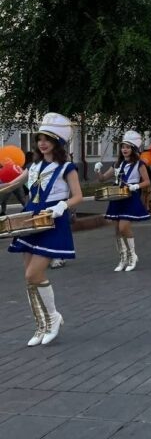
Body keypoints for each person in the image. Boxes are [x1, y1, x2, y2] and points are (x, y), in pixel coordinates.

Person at [8, 112, 83, 346]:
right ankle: (40, 325)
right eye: (40, 138)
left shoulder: (66, 167)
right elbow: (12, 184)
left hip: (52, 219)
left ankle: (52, 318)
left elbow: (78, 196)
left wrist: (62, 206)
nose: (42, 143)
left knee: (34, 274)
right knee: (28, 278)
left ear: (56, 143)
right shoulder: (34, 166)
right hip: (30, 219)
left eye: (47, 139)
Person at [94, 131, 151, 272]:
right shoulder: (117, 164)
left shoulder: (139, 164)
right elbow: (102, 179)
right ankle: (122, 258)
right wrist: (97, 170)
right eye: (123, 147)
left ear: (133, 149)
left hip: (130, 195)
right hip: (116, 196)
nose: (124, 149)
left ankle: (132, 256)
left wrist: (136, 186)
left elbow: (147, 181)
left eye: (128, 147)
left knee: (123, 227)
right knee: (117, 230)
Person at [0, 151, 31, 216]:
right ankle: (3, 212)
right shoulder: (2, 165)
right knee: (4, 200)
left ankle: (27, 209)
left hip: (16, 184)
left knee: (21, 198)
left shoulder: (15, 164)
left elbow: (20, 172)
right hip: (7, 183)